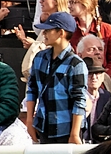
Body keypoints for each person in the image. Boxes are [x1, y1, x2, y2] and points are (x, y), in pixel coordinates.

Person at [22, 13, 90, 144]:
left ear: (61, 33)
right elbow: (32, 89)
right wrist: (30, 121)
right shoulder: (40, 57)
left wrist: (74, 134)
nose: (44, 33)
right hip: (43, 126)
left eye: (48, 30)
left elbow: (79, 101)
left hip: (67, 129)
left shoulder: (76, 64)